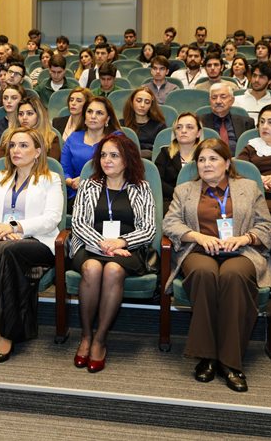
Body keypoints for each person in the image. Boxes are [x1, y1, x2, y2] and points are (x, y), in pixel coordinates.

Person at [163, 138, 271, 392]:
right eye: (201, 160)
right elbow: (170, 223)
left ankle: (230, 362)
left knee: (233, 276)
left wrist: (245, 238)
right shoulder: (185, 190)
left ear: (227, 163)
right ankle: (208, 356)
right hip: (199, 251)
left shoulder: (248, 188)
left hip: (241, 252)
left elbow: (267, 226)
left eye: (213, 159)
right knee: (204, 273)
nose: (206, 164)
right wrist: (197, 236)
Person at [0, 127, 63, 364]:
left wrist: (14, 227)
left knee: (5, 252)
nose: (16, 150)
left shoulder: (50, 179)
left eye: (23, 145)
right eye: (13, 145)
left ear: (38, 151)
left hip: (37, 242)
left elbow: (52, 219)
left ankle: (5, 332)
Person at [70, 134, 156, 372]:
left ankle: (100, 339)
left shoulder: (142, 188)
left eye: (114, 155)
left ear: (127, 160)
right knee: (92, 268)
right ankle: (86, 336)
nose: (107, 160)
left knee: (113, 270)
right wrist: (103, 244)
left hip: (128, 250)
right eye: (104, 155)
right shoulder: (88, 185)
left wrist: (121, 242)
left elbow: (149, 229)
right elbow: (78, 223)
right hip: (89, 246)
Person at [61, 96, 121, 206]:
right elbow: (64, 171)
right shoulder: (73, 138)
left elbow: (121, 170)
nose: (93, 116)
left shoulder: (117, 139)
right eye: (89, 112)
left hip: (109, 193)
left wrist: (86, 180)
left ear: (107, 119)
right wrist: (71, 182)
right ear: (84, 116)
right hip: (78, 195)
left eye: (99, 113)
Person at [155, 112, 203, 204]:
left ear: (198, 133)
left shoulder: (204, 155)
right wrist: (178, 194)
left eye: (189, 127)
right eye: (179, 127)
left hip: (200, 201)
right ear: (175, 133)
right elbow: (157, 181)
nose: (183, 131)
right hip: (170, 201)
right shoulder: (165, 153)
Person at [0, 97, 60, 161]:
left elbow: (52, 164)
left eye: (29, 113)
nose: (24, 117)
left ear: (39, 116)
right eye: (21, 114)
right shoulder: (8, 136)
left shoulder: (50, 138)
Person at [199, 83, 255, 155]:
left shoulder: (246, 123)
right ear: (210, 101)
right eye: (214, 98)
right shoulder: (199, 122)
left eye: (223, 97)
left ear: (232, 100)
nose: (218, 101)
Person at [121, 86, 167, 158]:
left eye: (147, 102)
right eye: (138, 101)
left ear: (151, 105)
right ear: (132, 102)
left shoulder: (159, 126)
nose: (142, 105)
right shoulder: (121, 125)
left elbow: (162, 153)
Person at [0, 82, 24, 157]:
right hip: (0, 161)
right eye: (5, 98)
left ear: (22, 100)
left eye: (14, 98)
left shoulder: (25, 123)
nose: (9, 101)